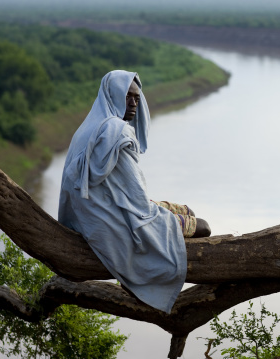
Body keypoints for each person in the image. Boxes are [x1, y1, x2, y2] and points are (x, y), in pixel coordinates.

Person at [58, 70, 210, 313]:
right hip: (109, 221)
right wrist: (163, 217)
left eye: (137, 98)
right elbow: (139, 204)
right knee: (202, 226)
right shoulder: (117, 131)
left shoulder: (88, 128)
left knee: (186, 211)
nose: (132, 103)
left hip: (86, 217)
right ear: (111, 95)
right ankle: (147, 283)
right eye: (126, 96)